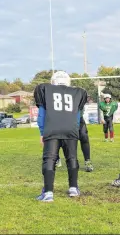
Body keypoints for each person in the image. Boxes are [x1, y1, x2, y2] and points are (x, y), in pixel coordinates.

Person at [34, 71, 88, 202]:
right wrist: (74, 130)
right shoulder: (78, 92)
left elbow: (41, 114)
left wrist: (42, 132)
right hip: (70, 129)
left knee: (49, 159)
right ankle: (73, 188)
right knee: (72, 158)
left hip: (52, 128)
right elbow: (77, 116)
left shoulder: (45, 89)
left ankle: (48, 193)